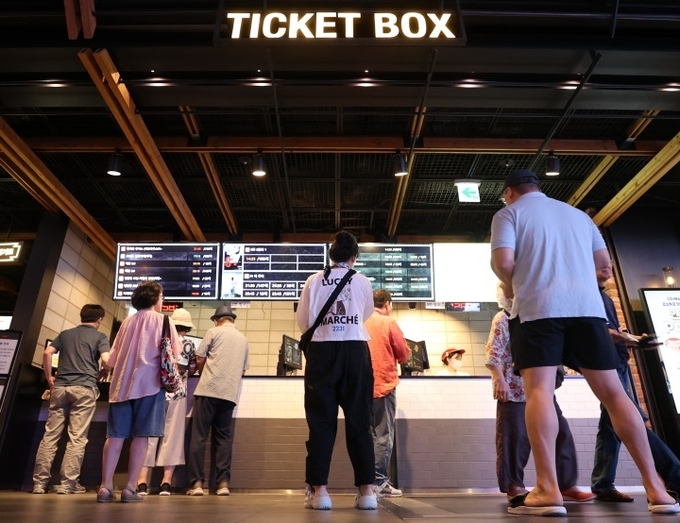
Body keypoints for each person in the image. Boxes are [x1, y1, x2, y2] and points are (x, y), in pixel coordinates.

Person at [490, 168, 678, 516]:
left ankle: (547, 489)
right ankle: (657, 489)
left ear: (510, 192)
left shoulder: (509, 214)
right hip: (588, 311)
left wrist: (516, 285)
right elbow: (603, 265)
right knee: (614, 395)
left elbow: (503, 263)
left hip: (538, 310)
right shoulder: (578, 216)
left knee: (539, 391)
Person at [485, 282, 595, 502]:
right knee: (514, 439)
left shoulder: (537, 318)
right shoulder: (503, 318)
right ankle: (514, 485)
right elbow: (492, 353)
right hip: (514, 390)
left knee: (561, 433)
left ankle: (565, 484)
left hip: (541, 389)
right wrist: (499, 380)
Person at [296, 230, 377, 511]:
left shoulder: (313, 280)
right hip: (355, 350)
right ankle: (367, 492)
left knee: (320, 422)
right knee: (360, 421)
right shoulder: (363, 281)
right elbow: (366, 314)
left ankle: (320, 492)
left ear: (331, 255)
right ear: (354, 257)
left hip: (322, 351)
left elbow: (304, 320)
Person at [591, 264, 680, 501]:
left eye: (610, 263)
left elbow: (614, 331)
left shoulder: (605, 298)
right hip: (606, 365)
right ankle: (676, 476)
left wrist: (635, 340)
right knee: (632, 419)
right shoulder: (589, 296)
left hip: (618, 361)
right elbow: (602, 332)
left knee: (611, 424)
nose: (608, 266)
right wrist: (632, 339)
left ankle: (602, 483)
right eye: (601, 262)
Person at [97, 281, 182, 503]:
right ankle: (130, 488)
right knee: (141, 437)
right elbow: (176, 353)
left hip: (121, 386)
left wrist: (106, 368)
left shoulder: (127, 322)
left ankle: (105, 487)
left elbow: (112, 357)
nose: (162, 301)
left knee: (115, 436)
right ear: (154, 299)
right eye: (161, 297)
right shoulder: (164, 321)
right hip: (149, 386)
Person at [32, 304, 110, 495]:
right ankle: (68, 484)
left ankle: (39, 484)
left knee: (50, 436)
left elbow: (47, 352)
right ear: (99, 320)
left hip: (60, 388)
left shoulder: (65, 334)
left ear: (82, 317)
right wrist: (104, 371)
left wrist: (49, 377)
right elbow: (107, 360)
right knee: (77, 438)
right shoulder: (100, 337)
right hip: (84, 389)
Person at [186, 304, 249, 497]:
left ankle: (197, 484)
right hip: (228, 395)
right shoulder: (243, 340)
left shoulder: (213, 332)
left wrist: (203, 373)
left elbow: (199, 359)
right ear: (232, 320)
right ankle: (223, 484)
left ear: (217, 320)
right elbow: (243, 370)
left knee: (199, 437)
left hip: (208, 391)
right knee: (224, 439)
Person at [137, 308, 197, 496]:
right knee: (173, 437)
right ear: (187, 327)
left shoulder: (159, 339)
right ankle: (166, 483)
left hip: (155, 392)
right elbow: (192, 369)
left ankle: (141, 482)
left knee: (149, 435)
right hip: (178, 394)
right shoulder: (189, 344)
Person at [364, 289, 410, 498]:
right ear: (387, 304)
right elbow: (403, 354)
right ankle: (379, 482)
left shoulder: (360, 321)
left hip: (361, 389)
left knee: (366, 436)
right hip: (383, 385)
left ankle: (365, 485)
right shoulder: (388, 322)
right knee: (383, 436)